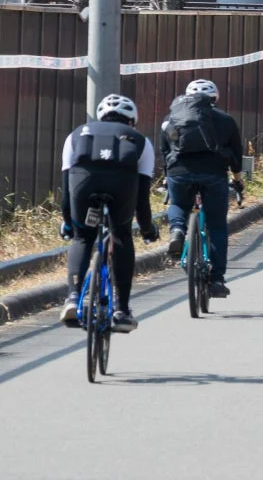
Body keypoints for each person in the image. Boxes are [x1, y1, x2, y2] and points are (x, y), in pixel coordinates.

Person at [58, 95, 160, 332]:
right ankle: (121, 310)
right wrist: (147, 229)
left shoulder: (76, 134)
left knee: (83, 237)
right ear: (132, 120)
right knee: (122, 235)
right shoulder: (141, 141)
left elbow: (66, 189)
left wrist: (68, 223)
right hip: (121, 184)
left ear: (99, 116)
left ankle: (73, 298)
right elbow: (142, 198)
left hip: (83, 182)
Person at [159, 79, 245, 300]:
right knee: (217, 226)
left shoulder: (172, 118)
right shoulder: (226, 120)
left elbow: (164, 147)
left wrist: (169, 175)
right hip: (214, 174)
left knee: (178, 204)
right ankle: (216, 280)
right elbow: (236, 156)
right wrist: (237, 180)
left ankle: (177, 230)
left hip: (179, 172)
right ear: (215, 99)